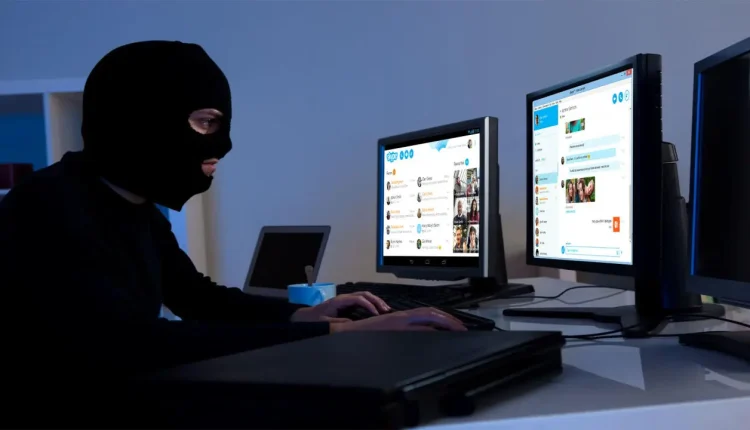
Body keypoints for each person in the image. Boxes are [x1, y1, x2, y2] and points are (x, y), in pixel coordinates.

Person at [0, 41, 465, 384]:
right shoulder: (48, 208)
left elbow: (196, 298)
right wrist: (335, 333)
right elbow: (131, 343)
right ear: (143, 119)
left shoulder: (129, 205)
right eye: (206, 122)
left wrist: (303, 316)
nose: (221, 145)